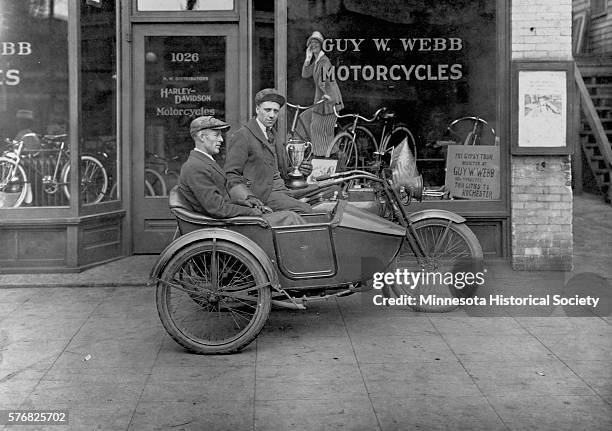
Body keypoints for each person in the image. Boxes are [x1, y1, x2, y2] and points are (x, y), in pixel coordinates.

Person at [178, 115, 304, 226]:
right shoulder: (195, 167)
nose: (221, 140)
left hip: (233, 221)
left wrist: (247, 201)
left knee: (289, 216)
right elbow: (217, 208)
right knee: (290, 218)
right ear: (201, 137)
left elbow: (222, 198)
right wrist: (251, 211)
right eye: (216, 135)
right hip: (228, 225)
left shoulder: (203, 163)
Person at [224, 88, 314, 213]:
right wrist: (248, 197)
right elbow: (231, 174)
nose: (272, 115)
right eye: (267, 110)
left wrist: (299, 169)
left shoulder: (273, 134)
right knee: (308, 210)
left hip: (284, 189)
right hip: (263, 194)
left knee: (329, 190)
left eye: (276, 111)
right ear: (257, 109)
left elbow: (277, 170)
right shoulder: (243, 135)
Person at [301, 31, 344, 158]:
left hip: (329, 101)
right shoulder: (317, 60)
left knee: (323, 132)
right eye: (311, 42)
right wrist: (308, 59)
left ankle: (330, 159)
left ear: (321, 45)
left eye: (316, 42)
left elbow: (325, 81)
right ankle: (323, 158)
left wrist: (326, 95)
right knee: (317, 130)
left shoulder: (325, 61)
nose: (314, 45)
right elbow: (305, 74)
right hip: (322, 101)